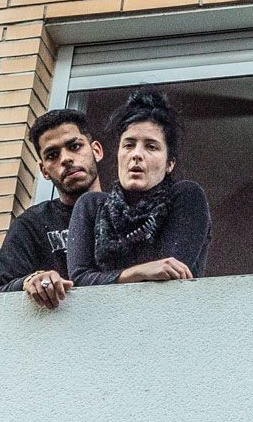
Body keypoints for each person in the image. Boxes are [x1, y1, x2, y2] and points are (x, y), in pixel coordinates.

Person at [66, 88, 211, 287]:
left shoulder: (186, 197)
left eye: (151, 146)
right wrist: (137, 272)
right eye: (129, 145)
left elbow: (170, 273)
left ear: (170, 163)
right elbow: (79, 279)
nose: (136, 154)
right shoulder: (91, 206)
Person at [0, 108, 103, 308]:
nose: (66, 159)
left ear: (96, 151)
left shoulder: (128, 211)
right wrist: (30, 281)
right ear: (44, 170)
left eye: (75, 146)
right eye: (53, 155)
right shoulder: (33, 224)